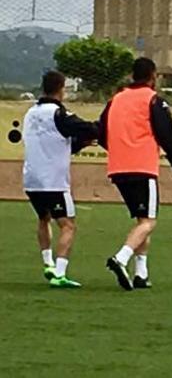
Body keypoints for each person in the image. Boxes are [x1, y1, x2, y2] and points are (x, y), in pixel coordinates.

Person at [99, 57, 172, 291]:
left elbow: (101, 131)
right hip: (142, 167)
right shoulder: (153, 100)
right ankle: (121, 258)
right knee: (149, 222)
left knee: (141, 221)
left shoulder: (115, 100)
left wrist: (118, 150)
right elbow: (167, 132)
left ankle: (141, 273)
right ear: (152, 76)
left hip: (118, 169)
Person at [22, 71, 99, 288]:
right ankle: (60, 272)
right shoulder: (58, 113)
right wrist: (99, 129)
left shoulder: (31, 113)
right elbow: (86, 127)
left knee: (43, 218)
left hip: (31, 180)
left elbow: (59, 141)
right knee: (68, 225)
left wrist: (81, 143)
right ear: (60, 88)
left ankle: (47, 263)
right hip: (53, 181)